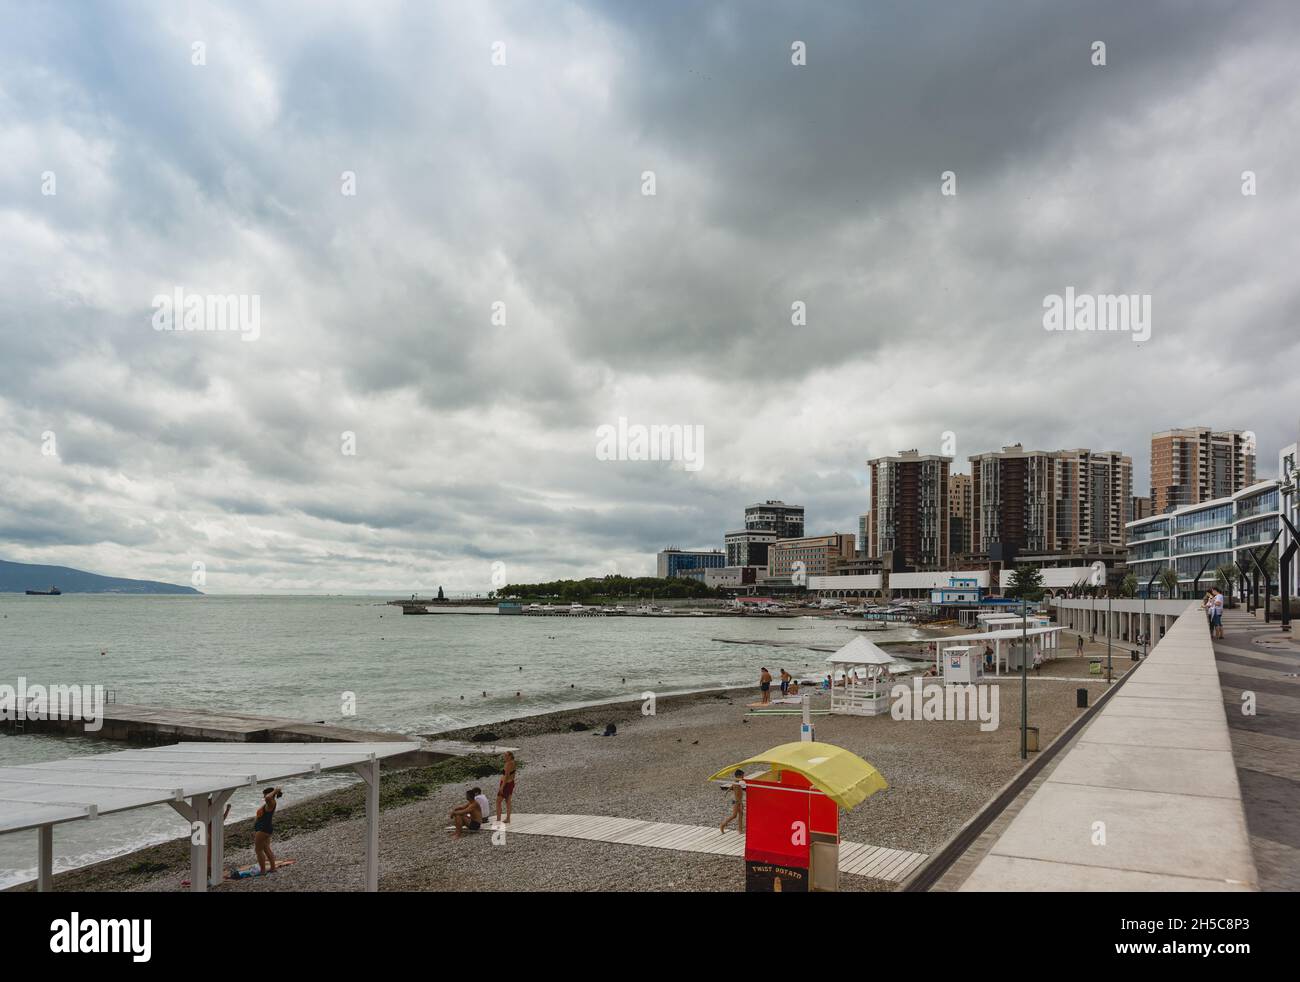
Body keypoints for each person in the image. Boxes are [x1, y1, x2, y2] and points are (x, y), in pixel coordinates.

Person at [253, 786, 282, 874]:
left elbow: (268, 797)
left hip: (263, 829)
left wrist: (275, 791)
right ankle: (273, 868)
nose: (264, 797)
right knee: (266, 848)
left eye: (264, 794)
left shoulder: (271, 801)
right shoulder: (270, 802)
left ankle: (262, 870)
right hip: (265, 828)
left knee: (258, 850)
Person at [720, 769, 745, 833]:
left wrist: (726, 792)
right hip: (737, 802)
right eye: (742, 776)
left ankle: (740, 830)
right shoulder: (736, 785)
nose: (743, 777)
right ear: (738, 776)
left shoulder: (736, 782)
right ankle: (722, 825)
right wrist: (741, 803)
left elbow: (731, 786)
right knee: (734, 815)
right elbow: (737, 795)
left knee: (741, 814)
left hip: (738, 801)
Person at [495, 751, 517, 824]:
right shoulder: (513, 762)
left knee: (498, 801)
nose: (504, 757)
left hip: (506, 784)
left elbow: (506, 776)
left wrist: (502, 787)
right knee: (508, 801)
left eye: (506, 756)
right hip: (511, 783)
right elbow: (512, 774)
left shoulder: (508, 764)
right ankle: (508, 818)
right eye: (504, 756)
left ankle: (498, 819)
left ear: (510, 756)